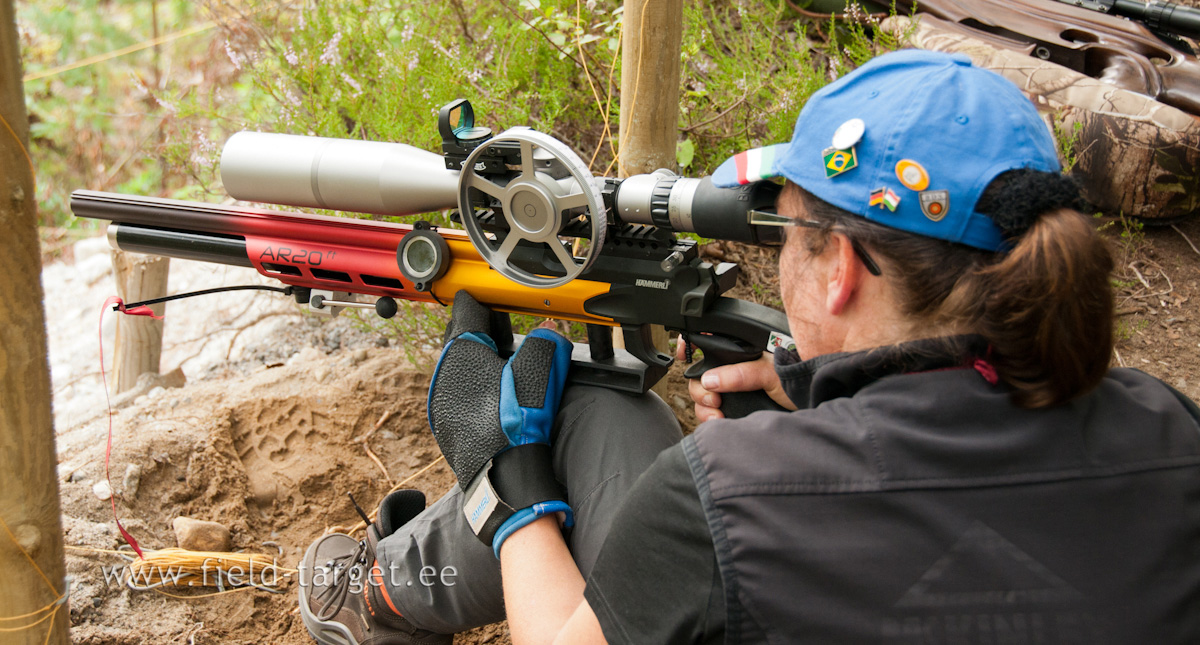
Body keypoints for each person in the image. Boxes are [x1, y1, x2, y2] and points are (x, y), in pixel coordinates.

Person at [296, 49, 1200, 644]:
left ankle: (376, 593)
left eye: (789, 234)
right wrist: (836, 397)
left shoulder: (728, 494)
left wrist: (506, 479)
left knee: (547, 440)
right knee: (602, 411)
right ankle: (386, 585)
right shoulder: (1170, 430)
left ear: (841, 268)